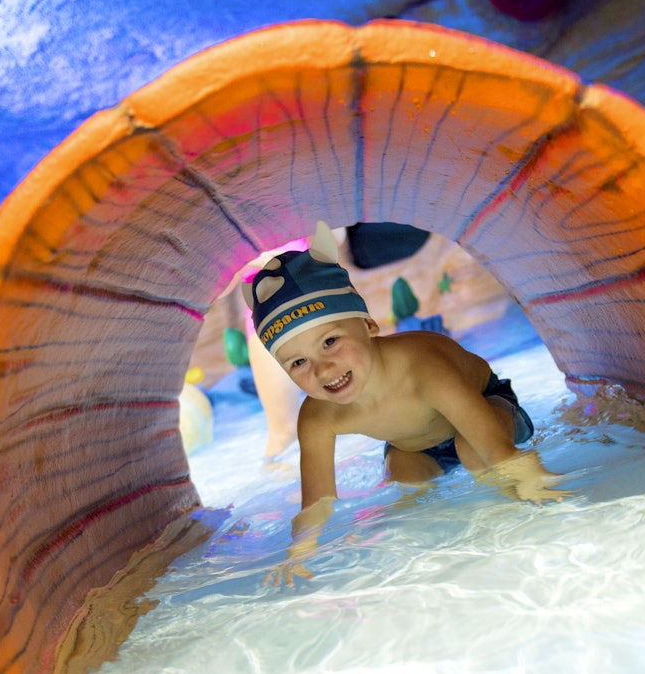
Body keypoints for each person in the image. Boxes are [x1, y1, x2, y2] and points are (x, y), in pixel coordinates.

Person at [243, 222, 567, 585]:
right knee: (404, 495)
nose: (323, 368)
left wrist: (529, 479)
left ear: (368, 325)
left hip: (486, 408)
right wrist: (300, 550)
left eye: (330, 341)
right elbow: (317, 501)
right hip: (413, 445)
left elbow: (494, 444)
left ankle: (524, 538)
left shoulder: (421, 368)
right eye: (298, 363)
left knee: (478, 454)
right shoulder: (319, 416)